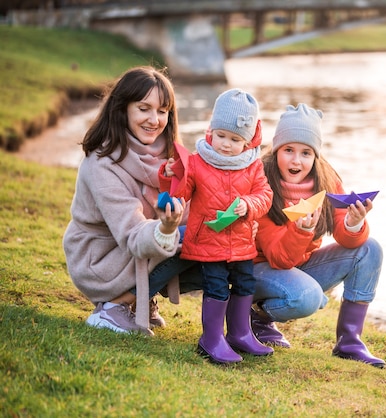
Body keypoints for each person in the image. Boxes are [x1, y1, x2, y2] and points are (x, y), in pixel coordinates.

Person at [63, 66, 203, 336]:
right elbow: (130, 233)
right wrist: (165, 230)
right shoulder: (102, 163)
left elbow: (188, 215)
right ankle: (113, 307)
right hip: (99, 260)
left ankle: (140, 299)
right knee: (192, 237)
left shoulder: (171, 159)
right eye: (144, 108)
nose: (154, 119)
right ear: (123, 108)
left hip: (136, 248)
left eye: (162, 111)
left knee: (211, 236)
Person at [252, 103, 386, 368]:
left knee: (369, 249)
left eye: (306, 152)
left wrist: (353, 223)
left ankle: (349, 341)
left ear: (315, 156)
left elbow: (347, 239)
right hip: (259, 271)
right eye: (288, 150)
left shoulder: (326, 180)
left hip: (301, 265)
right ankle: (255, 315)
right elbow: (279, 259)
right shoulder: (261, 182)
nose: (296, 160)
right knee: (307, 297)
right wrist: (301, 231)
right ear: (277, 149)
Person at [161, 88, 274, 364]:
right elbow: (180, 195)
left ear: (247, 141)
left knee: (246, 282)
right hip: (209, 241)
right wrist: (171, 177)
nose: (225, 144)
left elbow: (265, 196)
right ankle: (211, 339)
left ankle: (240, 333)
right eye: (221, 135)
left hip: (242, 243)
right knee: (216, 286)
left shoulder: (253, 166)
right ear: (210, 129)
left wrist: (248, 204)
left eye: (235, 139)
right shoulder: (198, 163)